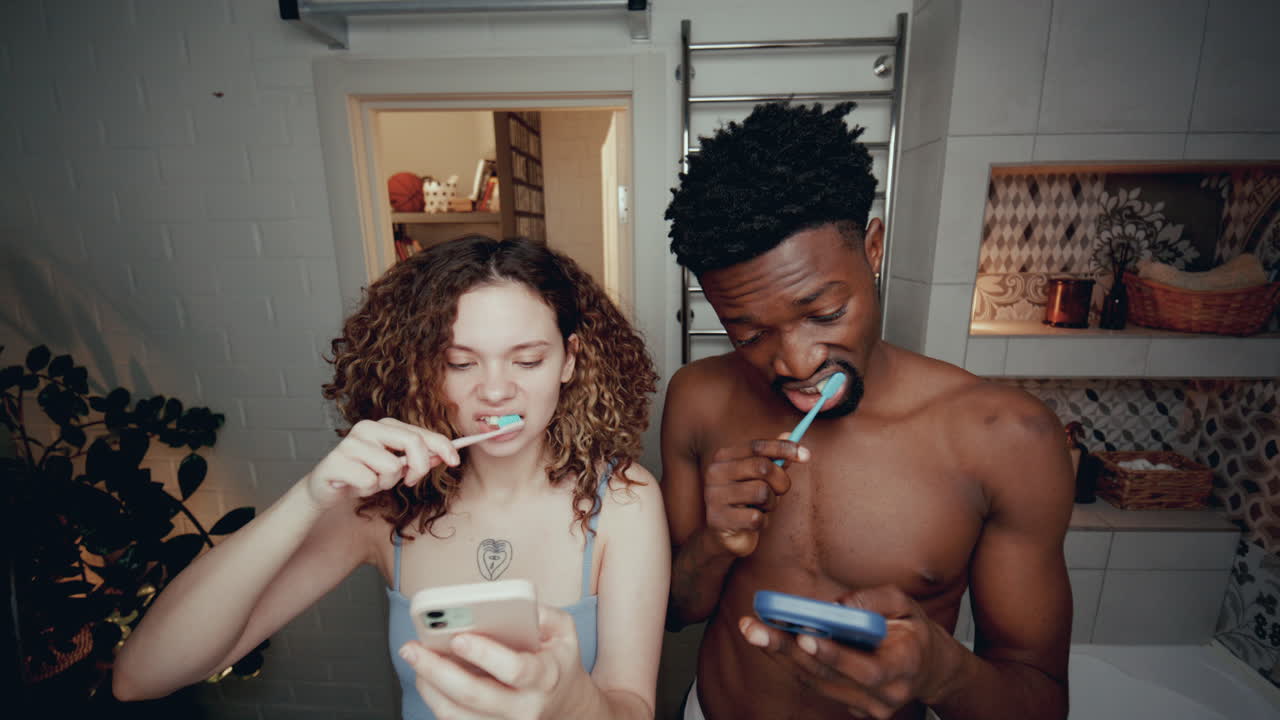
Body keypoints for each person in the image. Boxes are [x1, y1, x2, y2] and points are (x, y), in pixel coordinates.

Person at [113, 236, 670, 720]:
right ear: (422, 366)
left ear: (570, 361)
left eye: (527, 360)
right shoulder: (383, 509)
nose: (496, 391)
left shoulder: (624, 502)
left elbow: (632, 707)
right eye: (459, 363)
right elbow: (141, 677)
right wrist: (309, 498)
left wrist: (571, 704)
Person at [660, 102, 1074, 720]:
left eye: (824, 314)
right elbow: (677, 611)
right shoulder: (698, 398)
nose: (797, 364)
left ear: (873, 249)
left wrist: (945, 671)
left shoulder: (1007, 438)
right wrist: (715, 543)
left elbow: (1041, 701)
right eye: (748, 335)